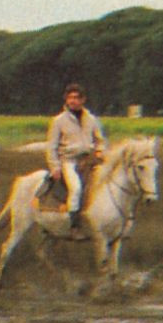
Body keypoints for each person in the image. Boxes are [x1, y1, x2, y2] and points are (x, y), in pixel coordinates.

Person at [46, 83, 106, 229]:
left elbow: (100, 140)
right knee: (76, 188)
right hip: (68, 161)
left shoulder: (91, 119)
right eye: (70, 97)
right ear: (66, 99)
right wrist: (55, 167)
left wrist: (100, 150)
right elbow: (51, 146)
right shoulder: (58, 120)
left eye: (76, 98)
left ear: (83, 100)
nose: (72, 101)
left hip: (88, 160)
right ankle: (73, 225)